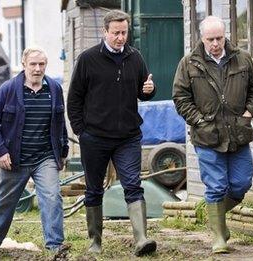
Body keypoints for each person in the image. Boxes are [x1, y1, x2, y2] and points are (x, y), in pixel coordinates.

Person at [67, 10, 157, 256]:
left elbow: (143, 90)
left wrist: (149, 89)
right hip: (94, 137)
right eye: (116, 33)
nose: (120, 38)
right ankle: (95, 242)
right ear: (104, 32)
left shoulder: (135, 57)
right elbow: (74, 100)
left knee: (133, 185)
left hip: (127, 137)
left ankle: (141, 240)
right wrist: (81, 132)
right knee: (94, 189)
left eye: (124, 33)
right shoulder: (88, 59)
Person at [172, 16, 253, 253]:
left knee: (241, 183)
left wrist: (248, 112)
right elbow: (180, 97)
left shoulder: (241, 59)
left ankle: (216, 219)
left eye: (219, 38)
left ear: (225, 36)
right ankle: (218, 238)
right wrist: (199, 121)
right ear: (201, 38)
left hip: (238, 133)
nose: (215, 43)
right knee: (215, 186)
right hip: (207, 135)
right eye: (210, 39)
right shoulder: (189, 63)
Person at [0, 46, 69, 253]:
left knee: (52, 197)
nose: (37, 69)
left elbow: (60, 123)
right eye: (33, 64)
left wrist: (63, 151)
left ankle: (55, 247)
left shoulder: (54, 89)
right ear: (24, 65)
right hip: (15, 158)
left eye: (41, 64)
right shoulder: (9, 89)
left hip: (45, 157)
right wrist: (0, 151)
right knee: (5, 202)